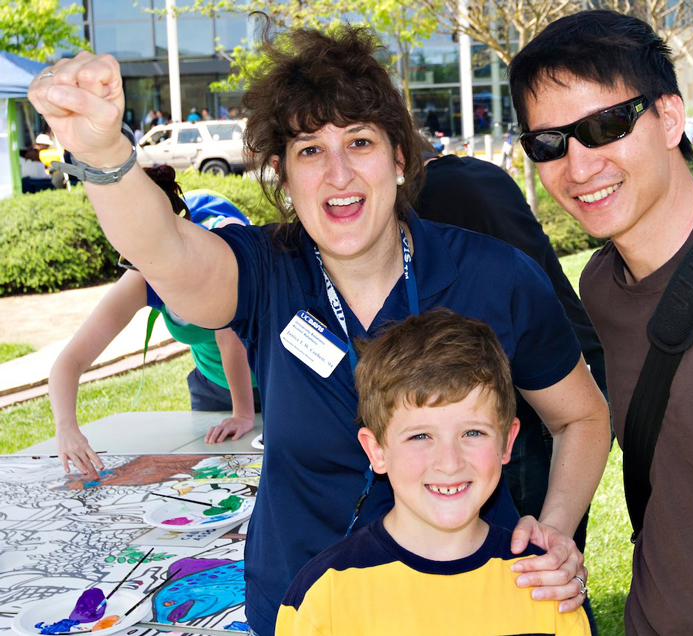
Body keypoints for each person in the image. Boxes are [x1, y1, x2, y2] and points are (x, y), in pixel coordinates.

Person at [30, 22, 610, 636]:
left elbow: (582, 416)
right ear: (282, 172)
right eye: (310, 150)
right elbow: (168, 251)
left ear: (399, 157)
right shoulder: (264, 270)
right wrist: (104, 156)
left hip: (473, 606)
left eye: (359, 142)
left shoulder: (495, 277)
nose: (338, 174)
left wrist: (554, 530)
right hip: (300, 608)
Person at [509, 9, 693, 635]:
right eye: (549, 143)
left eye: (608, 124)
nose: (580, 166)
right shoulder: (602, 286)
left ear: (670, 118)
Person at [277, 309, 593, 636]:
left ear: (506, 442)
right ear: (377, 451)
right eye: (420, 436)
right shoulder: (322, 598)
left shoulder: (546, 584)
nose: (449, 462)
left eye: (473, 433)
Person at [415, 141, 608, 555]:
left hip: (531, 390)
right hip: (576, 363)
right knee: (558, 538)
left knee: (527, 550)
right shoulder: (483, 174)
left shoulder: (427, 196)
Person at [48, 167, 260, 478]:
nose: (145, 267)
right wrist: (66, 427)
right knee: (216, 481)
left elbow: (229, 339)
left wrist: (242, 413)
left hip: (272, 378)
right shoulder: (139, 278)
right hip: (213, 385)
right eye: (130, 257)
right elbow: (70, 360)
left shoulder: (215, 248)